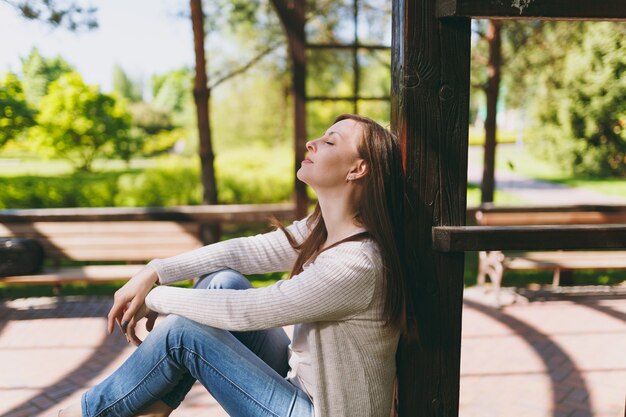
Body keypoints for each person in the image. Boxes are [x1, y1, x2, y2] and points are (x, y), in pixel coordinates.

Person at [58, 114, 409, 417]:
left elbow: (250, 311)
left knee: (183, 333)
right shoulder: (322, 230)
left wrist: (156, 298)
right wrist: (155, 270)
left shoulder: (356, 263)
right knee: (221, 281)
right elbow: (243, 252)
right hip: (299, 387)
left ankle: (88, 412)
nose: (312, 143)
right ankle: (156, 406)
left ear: (357, 169)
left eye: (330, 141)